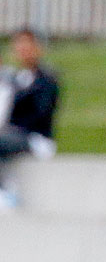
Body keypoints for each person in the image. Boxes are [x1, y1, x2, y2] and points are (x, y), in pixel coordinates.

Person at [0, 29, 60, 208]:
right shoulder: (16, 78)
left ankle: (5, 191)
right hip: (14, 134)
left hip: (36, 138)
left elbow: (40, 113)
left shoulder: (46, 79)